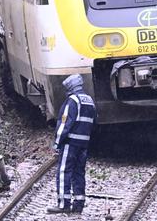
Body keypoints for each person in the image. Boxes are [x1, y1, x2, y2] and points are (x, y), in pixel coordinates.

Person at [47, 74, 96, 214]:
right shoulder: (90, 101)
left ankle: (63, 204)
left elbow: (65, 124)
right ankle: (79, 203)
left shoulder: (72, 101)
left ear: (70, 87)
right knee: (78, 172)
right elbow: (94, 123)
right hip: (84, 143)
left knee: (64, 171)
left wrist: (57, 142)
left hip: (70, 142)